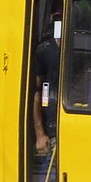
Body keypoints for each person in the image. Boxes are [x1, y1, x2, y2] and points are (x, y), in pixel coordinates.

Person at [32, 12, 61, 154]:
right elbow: (37, 93)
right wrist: (40, 134)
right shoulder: (45, 50)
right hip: (51, 128)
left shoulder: (82, 46)